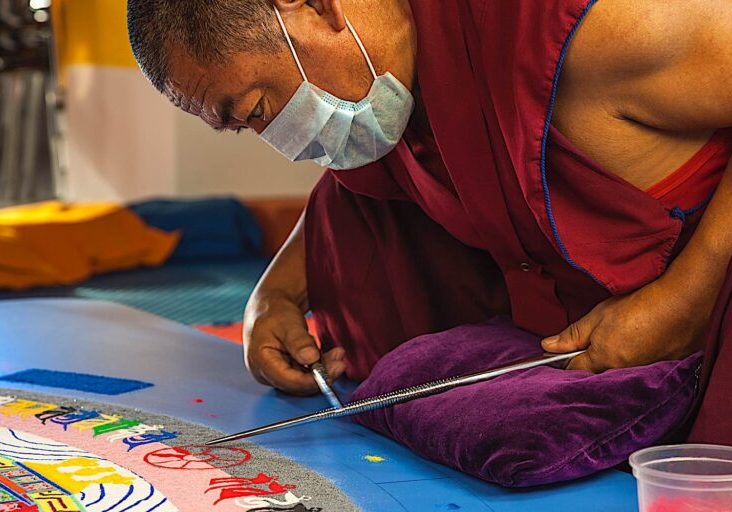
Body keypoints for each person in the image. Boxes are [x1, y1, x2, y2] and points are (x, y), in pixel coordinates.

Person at [127, 0, 732, 444]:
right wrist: (273, 297)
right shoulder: (390, 100)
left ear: (315, 7)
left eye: (258, 110)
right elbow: (358, 194)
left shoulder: (600, 28)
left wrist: (689, 294)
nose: (276, 140)